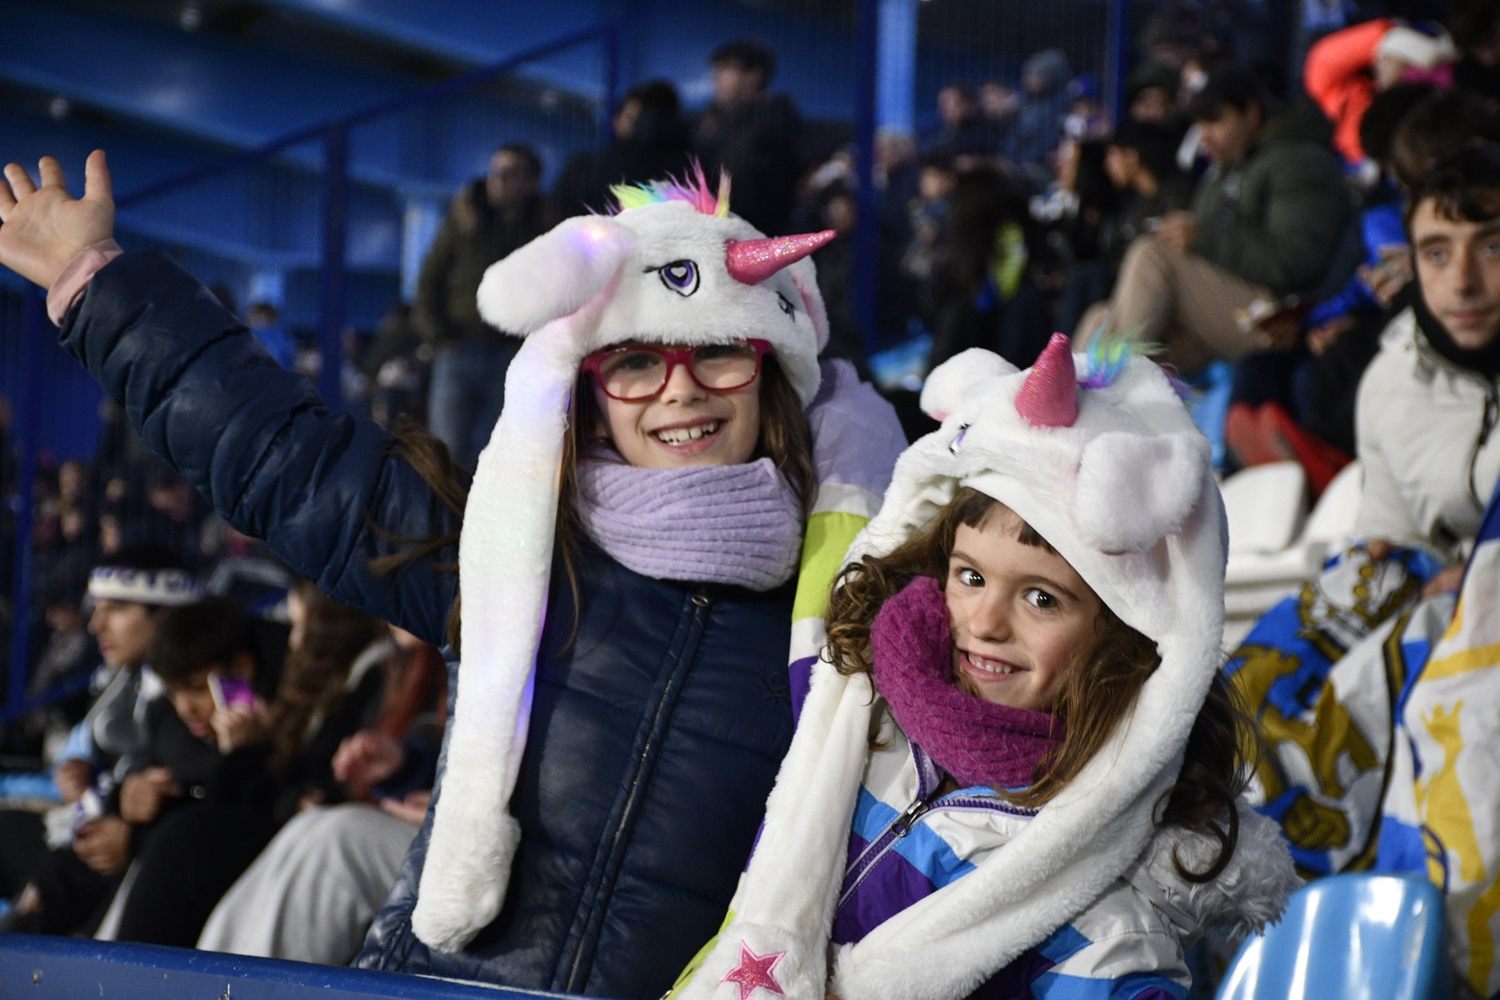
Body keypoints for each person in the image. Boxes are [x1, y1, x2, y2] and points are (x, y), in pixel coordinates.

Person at [0, 153, 906, 999]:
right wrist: (98, 285)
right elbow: (283, 459)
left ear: (769, 374)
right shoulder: (509, 547)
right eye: (635, 362)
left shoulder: (848, 606)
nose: (680, 391)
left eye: (717, 353)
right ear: (589, 394)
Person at [670, 336, 1296, 1000]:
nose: (986, 622)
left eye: (1041, 598)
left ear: (1126, 640)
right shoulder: (859, 714)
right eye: (969, 576)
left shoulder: (1106, 930)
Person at [1080, 63, 1351, 376]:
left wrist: (1202, 237)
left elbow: (1296, 262)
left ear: (1251, 114)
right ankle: (1071, 412)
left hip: (1278, 318)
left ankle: (1105, 393)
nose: (1204, 135)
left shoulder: (1299, 161)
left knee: (1151, 254)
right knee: (1101, 319)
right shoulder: (1225, 169)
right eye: (1199, 123)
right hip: (1224, 311)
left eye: (1215, 120)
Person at [0, 544, 201, 934]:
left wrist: (124, 817)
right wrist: (85, 777)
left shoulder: (191, 697)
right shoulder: (122, 685)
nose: (96, 625)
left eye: (118, 609)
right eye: (98, 608)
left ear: (168, 614)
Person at [415, 143, 546, 468]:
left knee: (503, 453)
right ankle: (443, 519)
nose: (498, 179)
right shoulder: (464, 218)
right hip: (459, 349)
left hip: (512, 354)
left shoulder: (545, 224)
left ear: (532, 182)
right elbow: (429, 278)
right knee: (446, 450)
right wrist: (439, 337)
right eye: (495, 170)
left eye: (510, 172)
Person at [694, 39, 802, 237]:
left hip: (755, 239)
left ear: (754, 77)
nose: (717, 78)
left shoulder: (774, 124)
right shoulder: (713, 121)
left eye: (727, 69)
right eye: (718, 70)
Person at [548, 80, 693, 224]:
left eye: (637, 119)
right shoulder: (691, 165)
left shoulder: (586, 166)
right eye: (631, 118)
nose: (636, 125)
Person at [1008, 49, 1073, 177]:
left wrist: (1024, 159)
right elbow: (1015, 136)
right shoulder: (1027, 103)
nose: (1027, 80)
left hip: (1041, 167)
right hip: (1018, 162)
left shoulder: (1060, 105)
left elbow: (1049, 140)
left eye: (1035, 75)